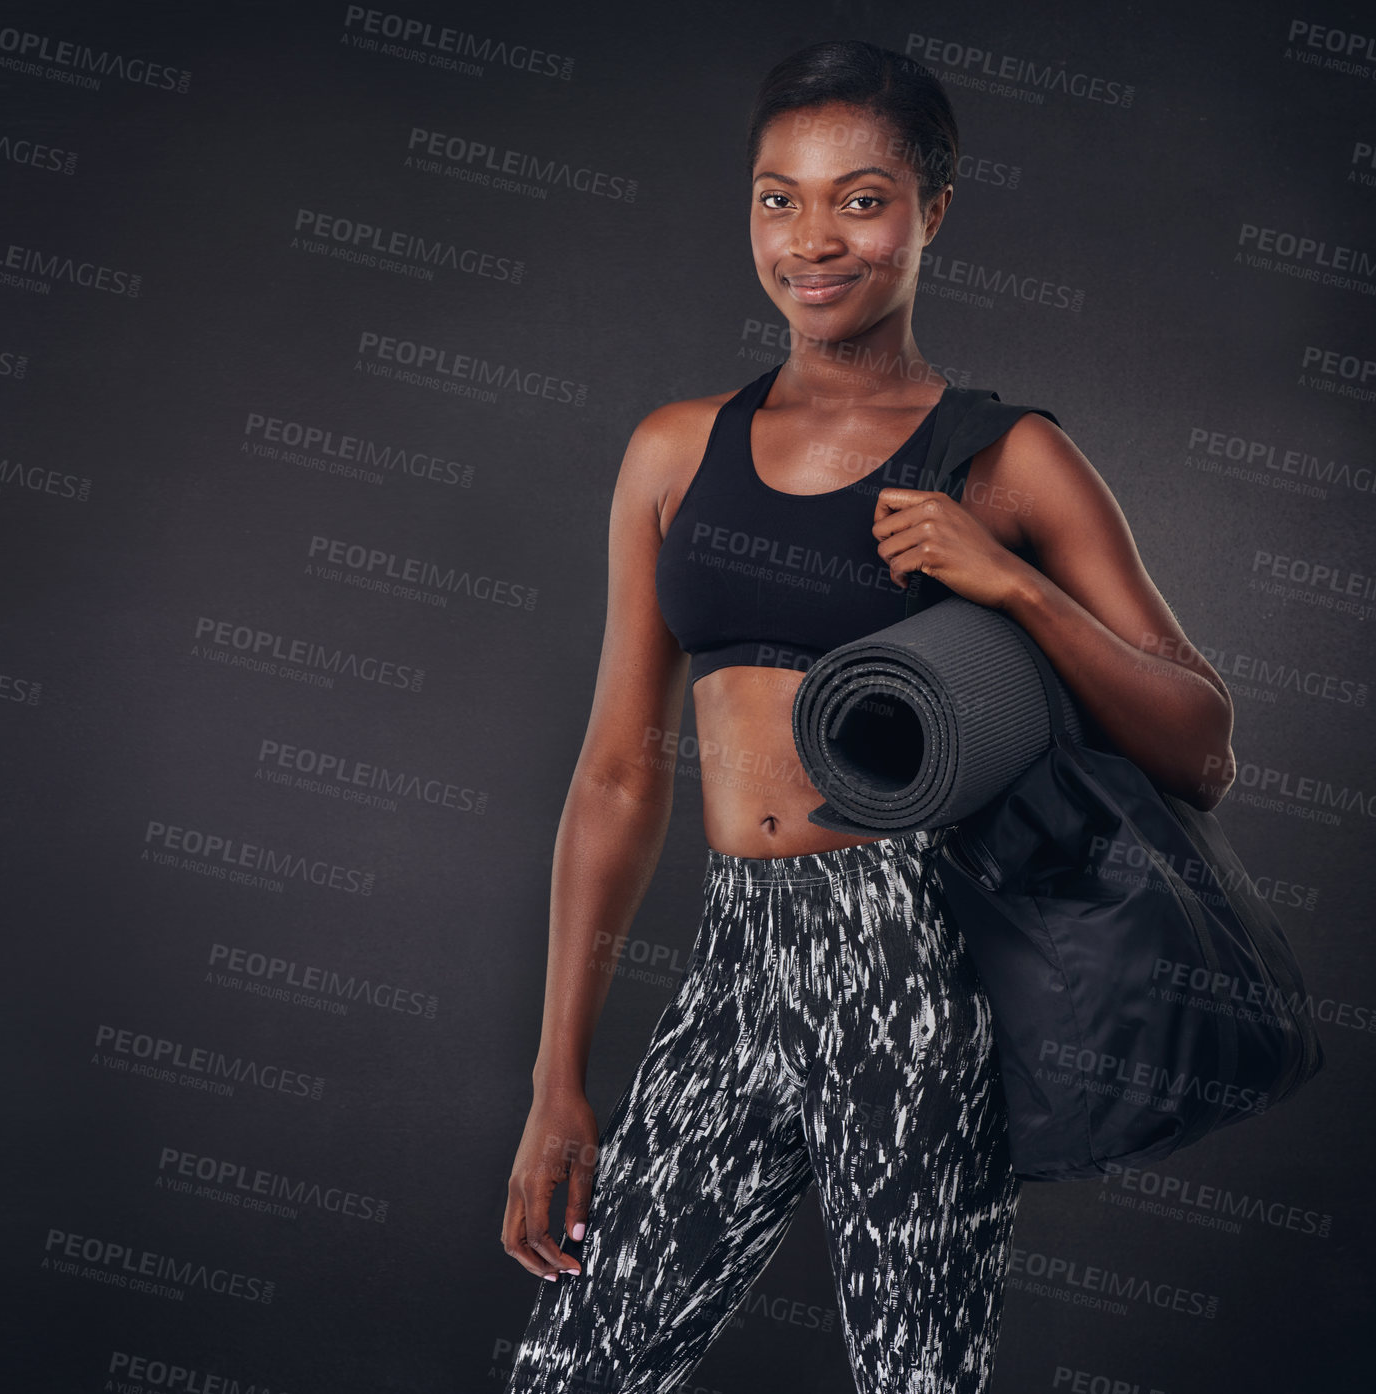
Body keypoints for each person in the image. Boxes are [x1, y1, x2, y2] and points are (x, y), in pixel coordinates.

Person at [499, 38, 1236, 1394]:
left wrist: (1005, 578)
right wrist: (558, 1078)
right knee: (575, 1369)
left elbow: (1200, 742)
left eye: (859, 195)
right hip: (734, 961)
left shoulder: (1007, 455)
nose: (811, 237)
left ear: (931, 209)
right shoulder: (675, 450)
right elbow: (615, 775)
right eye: (778, 198)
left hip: (915, 964)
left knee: (913, 1377)